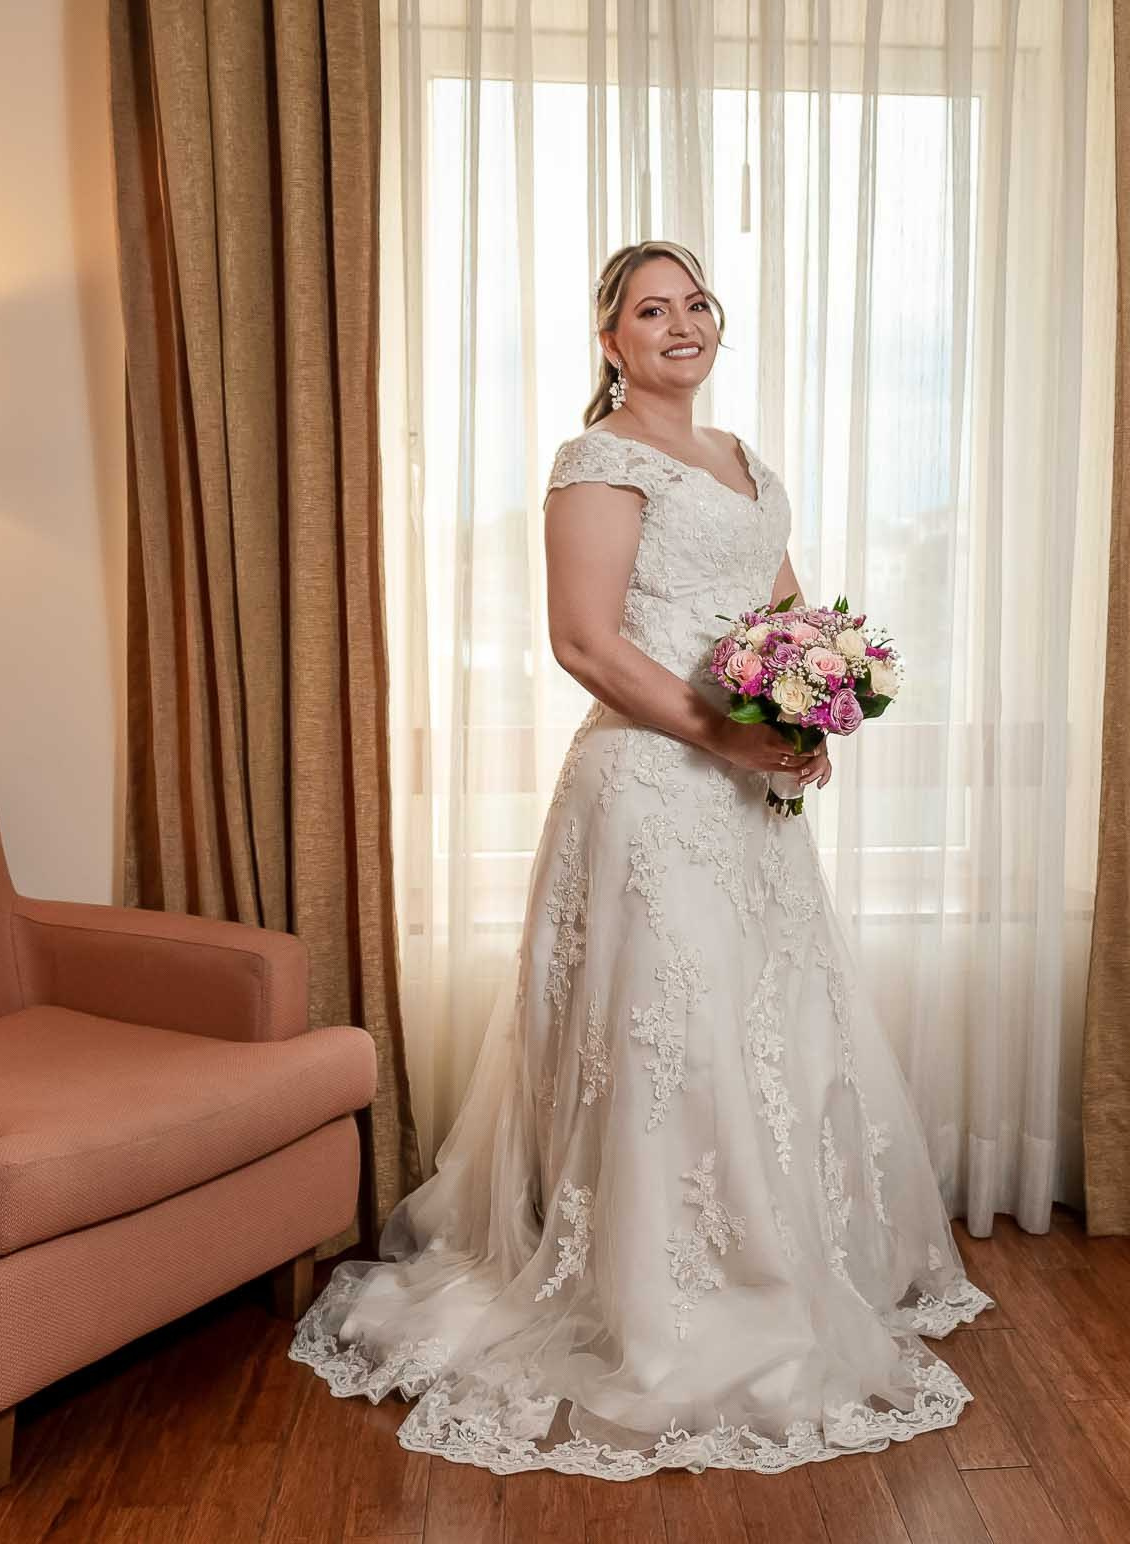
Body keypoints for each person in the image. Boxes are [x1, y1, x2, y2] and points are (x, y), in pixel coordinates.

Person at [290, 239, 990, 1478]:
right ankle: (655, 1300)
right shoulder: (600, 460)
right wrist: (728, 736)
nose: (681, 323)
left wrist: (804, 721)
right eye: (650, 309)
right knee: (674, 1039)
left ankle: (773, 1269)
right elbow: (586, 642)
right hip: (651, 793)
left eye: (695, 303)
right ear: (610, 341)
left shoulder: (744, 461)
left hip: (746, 801)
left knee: (763, 1029)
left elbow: (783, 618)